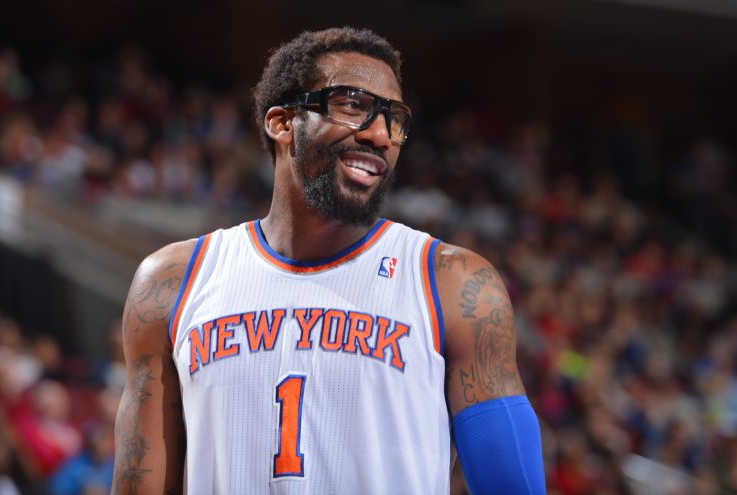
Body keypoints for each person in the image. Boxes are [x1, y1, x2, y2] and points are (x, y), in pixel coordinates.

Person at [111, 27, 546, 494]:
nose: (380, 135)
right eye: (354, 106)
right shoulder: (173, 282)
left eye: (394, 119)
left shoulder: (453, 283)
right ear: (281, 123)